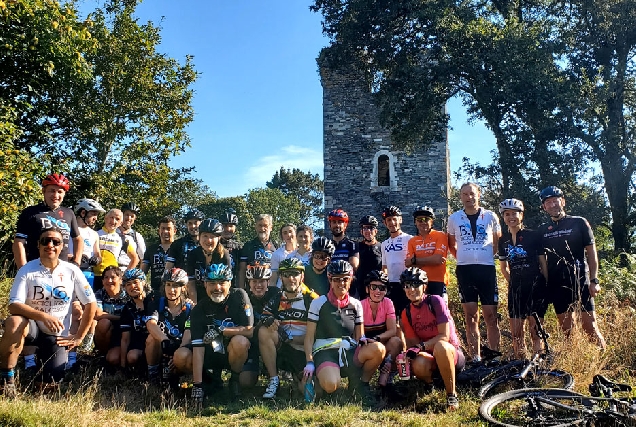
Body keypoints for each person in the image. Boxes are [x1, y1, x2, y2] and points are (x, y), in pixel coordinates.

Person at [0, 227, 97, 392]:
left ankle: (40, 365)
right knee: (14, 322)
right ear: (38, 245)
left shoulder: (72, 270)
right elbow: (14, 305)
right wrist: (43, 316)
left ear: (61, 247)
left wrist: (79, 337)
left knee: (49, 384)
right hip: (31, 327)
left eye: (55, 242)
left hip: (57, 334)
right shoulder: (27, 269)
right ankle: (6, 377)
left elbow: (91, 303)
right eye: (45, 241)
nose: (50, 245)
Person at [304, 260, 385, 401]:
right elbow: (309, 337)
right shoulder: (318, 302)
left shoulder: (356, 304)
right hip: (325, 351)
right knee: (330, 385)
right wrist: (309, 362)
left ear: (350, 280)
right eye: (336, 279)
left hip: (348, 350)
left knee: (379, 349)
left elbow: (359, 336)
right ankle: (321, 378)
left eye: (345, 279)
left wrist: (365, 341)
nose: (341, 283)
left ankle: (360, 384)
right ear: (330, 279)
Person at [538, 186, 606, 349]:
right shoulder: (542, 230)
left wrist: (594, 280)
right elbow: (543, 262)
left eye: (555, 200)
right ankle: (575, 367)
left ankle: (602, 365)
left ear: (563, 201)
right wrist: (546, 286)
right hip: (557, 285)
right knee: (567, 332)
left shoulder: (579, 222)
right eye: (548, 202)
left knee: (591, 328)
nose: (553, 204)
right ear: (544, 207)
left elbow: (591, 253)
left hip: (581, 281)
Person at [447, 182, 501, 361]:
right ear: (460, 197)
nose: (469, 197)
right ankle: (476, 357)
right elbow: (451, 244)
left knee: (491, 316)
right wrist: (464, 256)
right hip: (465, 270)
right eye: (464, 194)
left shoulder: (490, 216)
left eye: (472, 193)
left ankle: (494, 357)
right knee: (471, 315)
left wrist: (484, 255)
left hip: (486, 269)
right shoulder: (454, 218)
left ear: (479, 194)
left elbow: (496, 242)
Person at [399, 267, 464, 411]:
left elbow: (444, 336)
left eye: (416, 284)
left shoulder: (435, 301)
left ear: (424, 286)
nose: (411, 289)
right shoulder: (406, 312)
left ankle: (451, 395)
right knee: (417, 361)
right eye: (407, 285)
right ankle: (432, 384)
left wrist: (421, 346)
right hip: (431, 356)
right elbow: (413, 344)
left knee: (441, 346)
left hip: (451, 354)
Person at [189, 264, 254, 401]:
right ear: (205, 284)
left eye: (221, 283)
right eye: (212, 283)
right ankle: (209, 380)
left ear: (229, 283)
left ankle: (234, 380)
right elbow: (198, 348)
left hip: (234, 353)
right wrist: (197, 385)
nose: (217, 288)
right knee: (182, 356)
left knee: (241, 343)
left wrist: (221, 331)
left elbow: (249, 331)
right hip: (211, 356)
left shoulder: (239, 295)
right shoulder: (198, 309)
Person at [259, 258, 318, 399]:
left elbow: (319, 333)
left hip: (304, 352)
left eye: (295, 274)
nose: (291, 279)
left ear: (302, 276)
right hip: (283, 349)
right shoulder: (276, 298)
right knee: (263, 330)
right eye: (286, 275)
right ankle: (274, 379)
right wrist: (267, 319)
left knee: (312, 394)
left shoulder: (312, 299)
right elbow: (264, 315)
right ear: (280, 277)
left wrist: (292, 339)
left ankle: (296, 378)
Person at [498, 199, 549, 358]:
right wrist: (512, 282)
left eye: (514, 213)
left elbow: (543, 262)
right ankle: (521, 364)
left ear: (521, 215)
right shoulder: (503, 240)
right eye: (507, 214)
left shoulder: (533, 236)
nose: (511, 217)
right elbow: (503, 267)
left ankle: (537, 364)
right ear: (503, 217)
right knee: (516, 334)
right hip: (516, 288)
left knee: (536, 332)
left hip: (535, 286)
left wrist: (546, 283)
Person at [13, 173, 82, 269]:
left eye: (60, 192)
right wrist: (22, 268)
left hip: (62, 270)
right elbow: (19, 242)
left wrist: (76, 263)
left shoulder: (69, 213)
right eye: (52, 191)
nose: (56, 195)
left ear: (64, 194)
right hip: (35, 268)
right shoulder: (30, 212)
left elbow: (78, 239)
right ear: (43, 191)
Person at [145, 268, 192, 384]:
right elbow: (151, 324)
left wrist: (176, 355)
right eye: (168, 285)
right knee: (151, 338)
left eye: (176, 286)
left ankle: (183, 378)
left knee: (181, 357)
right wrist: (164, 340)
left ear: (183, 287)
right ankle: (153, 374)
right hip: (162, 347)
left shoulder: (190, 308)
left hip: (181, 348)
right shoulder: (156, 303)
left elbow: (188, 332)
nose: (171, 290)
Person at [360, 270, 403, 390]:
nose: (378, 291)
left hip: (380, 341)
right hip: (365, 344)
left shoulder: (388, 303)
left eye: (382, 288)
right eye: (374, 287)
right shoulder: (360, 305)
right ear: (367, 289)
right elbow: (358, 333)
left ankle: (386, 375)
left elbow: (392, 330)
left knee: (396, 341)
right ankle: (362, 382)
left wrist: (376, 339)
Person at [240, 262, 279, 390]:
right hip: (251, 343)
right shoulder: (242, 297)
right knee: (246, 382)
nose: (258, 285)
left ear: (268, 281)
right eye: (254, 281)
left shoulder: (277, 294)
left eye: (262, 281)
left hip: (272, 342)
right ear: (248, 282)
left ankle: (275, 372)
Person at [405, 206, 449, 301]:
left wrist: (416, 260)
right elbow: (408, 264)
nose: (423, 222)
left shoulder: (440, 235)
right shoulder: (412, 241)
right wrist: (431, 259)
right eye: (420, 220)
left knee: (440, 313)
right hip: (418, 282)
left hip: (438, 281)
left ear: (432, 221)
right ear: (415, 222)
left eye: (427, 219)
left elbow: (437, 259)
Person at [186, 218, 231, 303]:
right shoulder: (193, 254)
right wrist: (195, 306)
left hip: (219, 296)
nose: (208, 240)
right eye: (205, 236)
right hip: (199, 297)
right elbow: (191, 283)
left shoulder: (224, 255)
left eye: (212, 236)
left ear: (219, 238)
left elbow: (227, 284)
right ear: (199, 237)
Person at [119, 269, 155, 374]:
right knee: (132, 357)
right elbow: (125, 339)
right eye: (128, 284)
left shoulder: (155, 299)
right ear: (125, 288)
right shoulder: (127, 308)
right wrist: (123, 366)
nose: (132, 286)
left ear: (143, 282)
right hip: (139, 346)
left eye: (135, 282)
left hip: (158, 344)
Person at [94, 209, 139, 291]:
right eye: (111, 217)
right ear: (105, 218)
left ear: (120, 223)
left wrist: (124, 275)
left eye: (117, 219)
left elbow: (135, 259)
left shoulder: (122, 238)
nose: (113, 221)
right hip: (93, 275)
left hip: (111, 279)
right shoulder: (94, 233)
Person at [93, 266, 129, 368]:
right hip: (109, 331)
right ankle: (102, 355)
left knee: (113, 359)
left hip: (126, 333)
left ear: (121, 280)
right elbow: (98, 314)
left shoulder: (128, 294)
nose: (109, 281)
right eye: (105, 277)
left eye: (113, 277)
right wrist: (121, 318)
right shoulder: (99, 293)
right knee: (103, 323)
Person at [381, 206, 412, 316]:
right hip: (391, 285)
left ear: (400, 220)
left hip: (406, 283)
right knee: (394, 317)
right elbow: (384, 267)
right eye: (389, 220)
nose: (392, 222)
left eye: (394, 219)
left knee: (407, 315)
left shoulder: (409, 239)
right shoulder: (384, 244)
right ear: (385, 223)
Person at [237, 214, 277, 290]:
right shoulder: (248, 246)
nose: (262, 228)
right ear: (255, 227)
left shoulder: (276, 246)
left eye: (265, 225)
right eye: (260, 225)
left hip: (271, 288)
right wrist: (241, 290)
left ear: (271, 227)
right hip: (252, 288)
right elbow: (242, 270)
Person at [142, 216, 176, 293]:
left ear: (174, 231)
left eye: (168, 229)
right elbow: (142, 272)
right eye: (163, 228)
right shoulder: (151, 249)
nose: (165, 231)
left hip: (175, 289)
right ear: (158, 231)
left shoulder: (179, 248)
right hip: (156, 291)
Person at [355, 215, 382, 300]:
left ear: (376, 231)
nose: (368, 231)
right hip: (360, 289)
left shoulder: (382, 247)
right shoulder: (357, 247)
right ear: (361, 231)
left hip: (377, 288)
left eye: (371, 228)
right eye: (365, 228)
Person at [117, 202, 146, 270]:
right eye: (126, 215)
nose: (129, 218)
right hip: (110, 270)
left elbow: (143, 259)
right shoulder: (112, 232)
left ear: (135, 218)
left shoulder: (137, 236)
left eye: (132, 216)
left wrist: (139, 275)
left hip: (127, 270)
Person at [220, 208, 243, 287]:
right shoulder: (212, 246)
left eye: (231, 226)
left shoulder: (239, 247)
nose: (228, 229)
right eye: (225, 225)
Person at [270, 224, 297, 288]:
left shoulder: (304, 251)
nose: (288, 235)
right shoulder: (277, 254)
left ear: (296, 233)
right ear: (282, 236)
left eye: (290, 231)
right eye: (285, 233)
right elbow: (273, 279)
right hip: (282, 290)